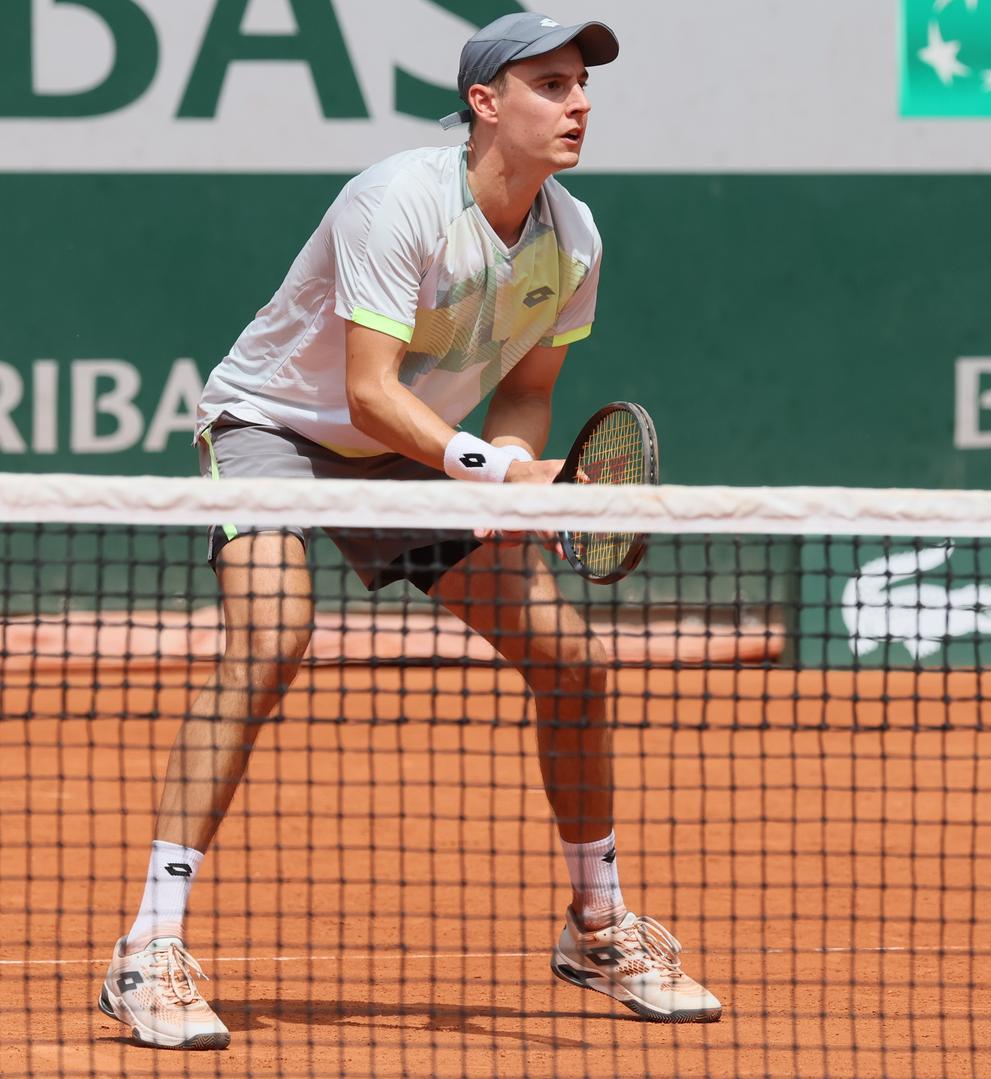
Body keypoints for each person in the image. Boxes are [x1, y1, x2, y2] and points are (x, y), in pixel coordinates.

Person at [97, 13, 722, 1050]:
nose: (579, 104)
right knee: (271, 639)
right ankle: (148, 947)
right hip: (277, 428)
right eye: (551, 85)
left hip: (415, 453)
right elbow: (368, 391)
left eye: (582, 85)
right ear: (485, 103)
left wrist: (506, 489)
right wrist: (497, 470)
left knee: (572, 660)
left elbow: (526, 392)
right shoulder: (397, 201)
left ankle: (597, 926)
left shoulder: (574, 239)